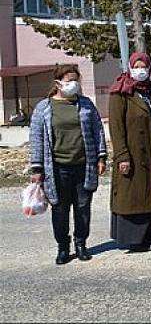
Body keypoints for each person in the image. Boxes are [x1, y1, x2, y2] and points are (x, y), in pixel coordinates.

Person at [29, 64, 107, 264]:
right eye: (69, 80)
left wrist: (101, 157)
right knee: (60, 210)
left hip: (84, 166)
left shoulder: (86, 104)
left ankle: (81, 244)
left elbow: (97, 130)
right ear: (58, 83)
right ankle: (63, 247)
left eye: (75, 80)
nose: (74, 84)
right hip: (56, 169)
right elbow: (36, 139)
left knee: (83, 208)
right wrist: (37, 168)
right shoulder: (44, 107)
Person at [109, 53, 151, 253]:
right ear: (130, 68)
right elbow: (116, 127)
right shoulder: (121, 93)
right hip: (133, 153)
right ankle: (136, 239)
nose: (141, 70)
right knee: (134, 194)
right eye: (136, 66)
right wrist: (122, 155)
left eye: (144, 66)